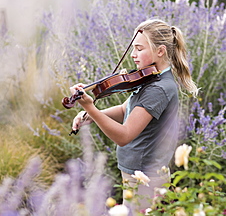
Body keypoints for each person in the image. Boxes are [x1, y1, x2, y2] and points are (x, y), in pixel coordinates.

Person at [69, 19, 198, 212]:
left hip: (146, 176)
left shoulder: (159, 89)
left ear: (160, 51)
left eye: (139, 48)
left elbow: (124, 135)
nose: (133, 54)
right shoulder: (149, 79)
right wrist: (90, 115)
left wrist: (91, 108)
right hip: (135, 172)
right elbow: (125, 110)